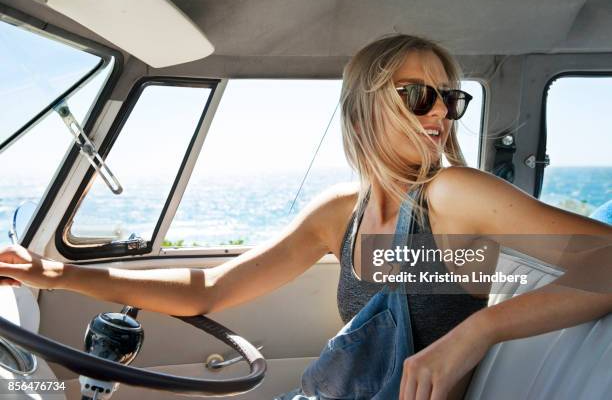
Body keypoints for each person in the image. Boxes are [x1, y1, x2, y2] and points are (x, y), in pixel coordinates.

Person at [0, 34, 611, 400]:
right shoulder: (340, 215)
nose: (440, 116)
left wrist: (480, 329)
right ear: (363, 108)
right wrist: (54, 275)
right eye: (418, 96)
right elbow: (212, 287)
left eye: (450, 99)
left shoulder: (452, 195)